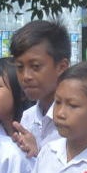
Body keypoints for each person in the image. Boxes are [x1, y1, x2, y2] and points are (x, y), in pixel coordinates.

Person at [7, 20, 72, 156]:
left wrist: (38, 154)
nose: (26, 76)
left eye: (35, 66)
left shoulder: (81, 120)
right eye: (19, 67)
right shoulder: (28, 118)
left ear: (61, 67)